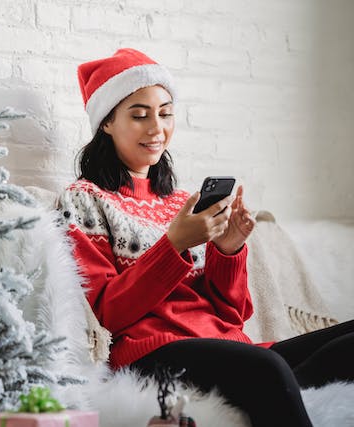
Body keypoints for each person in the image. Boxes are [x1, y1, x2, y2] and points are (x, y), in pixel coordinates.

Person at [58, 48, 354, 427]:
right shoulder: (84, 199)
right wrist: (174, 245)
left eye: (165, 113)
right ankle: (273, 383)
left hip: (230, 348)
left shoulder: (184, 203)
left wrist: (228, 250)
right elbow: (107, 314)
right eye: (139, 115)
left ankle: (279, 385)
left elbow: (230, 314)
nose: (156, 128)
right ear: (107, 123)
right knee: (265, 368)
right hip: (155, 352)